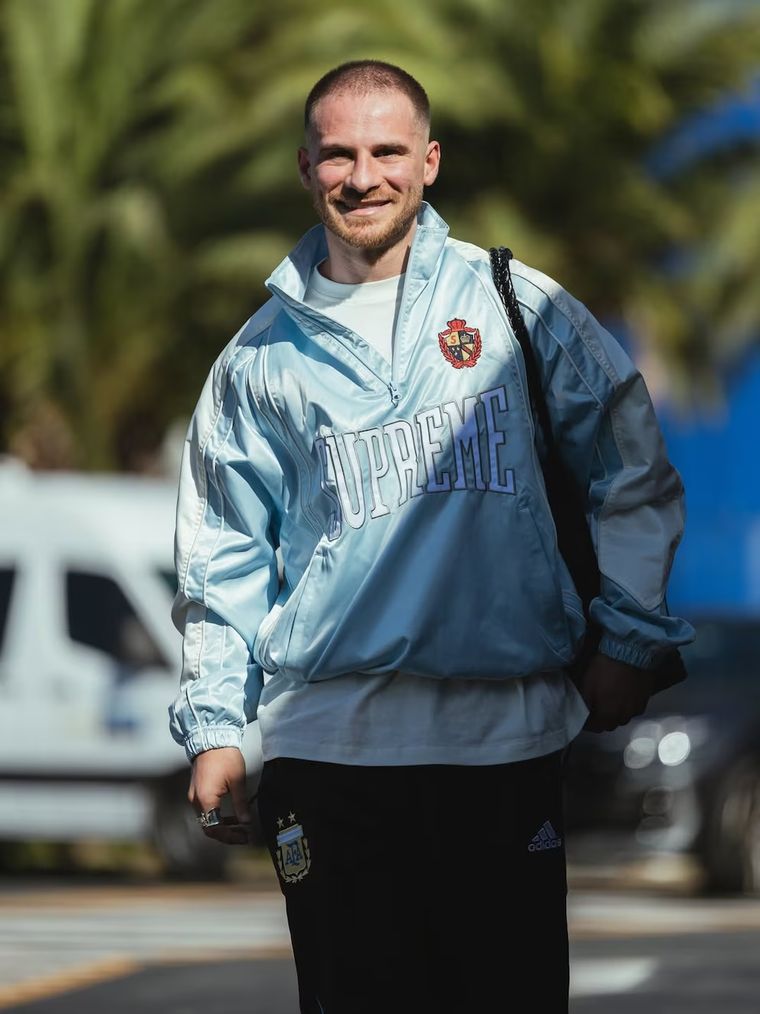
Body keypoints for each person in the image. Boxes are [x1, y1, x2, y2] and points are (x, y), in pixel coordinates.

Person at [169, 60, 694, 1013]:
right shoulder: (257, 358)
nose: (361, 175)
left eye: (386, 151)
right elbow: (224, 552)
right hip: (328, 753)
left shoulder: (514, 308)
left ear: (430, 161)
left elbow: (633, 470)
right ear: (305, 167)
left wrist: (630, 634)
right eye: (338, 154)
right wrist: (217, 732)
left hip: (505, 743)